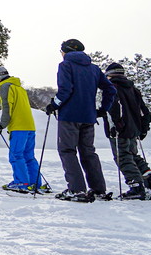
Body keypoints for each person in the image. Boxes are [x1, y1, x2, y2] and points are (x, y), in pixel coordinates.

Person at [45, 39, 116, 202]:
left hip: (69, 116)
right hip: (89, 117)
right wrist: (103, 109)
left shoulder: (65, 66)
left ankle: (76, 189)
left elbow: (65, 89)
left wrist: (54, 105)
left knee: (67, 150)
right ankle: (98, 189)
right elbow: (110, 89)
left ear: (66, 51)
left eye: (61, 51)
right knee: (88, 152)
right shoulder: (94, 68)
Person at [101, 62, 151, 199]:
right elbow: (144, 111)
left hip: (120, 130)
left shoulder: (111, 87)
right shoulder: (133, 89)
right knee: (133, 156)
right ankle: (149, 182)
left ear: (109, 74)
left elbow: (113, 109)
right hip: (134, 129)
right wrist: (143, 128)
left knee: (123, 158)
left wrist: (116, 126)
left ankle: (136, 187)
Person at [0, 66, 40, 193]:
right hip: (30, 126)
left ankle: (21, 183)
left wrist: (1, 125)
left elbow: (7, 108)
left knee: (16, 155)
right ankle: (35, 184)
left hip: (19, 127)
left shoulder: (6, 87)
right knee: (29, 156)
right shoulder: (20, 88)